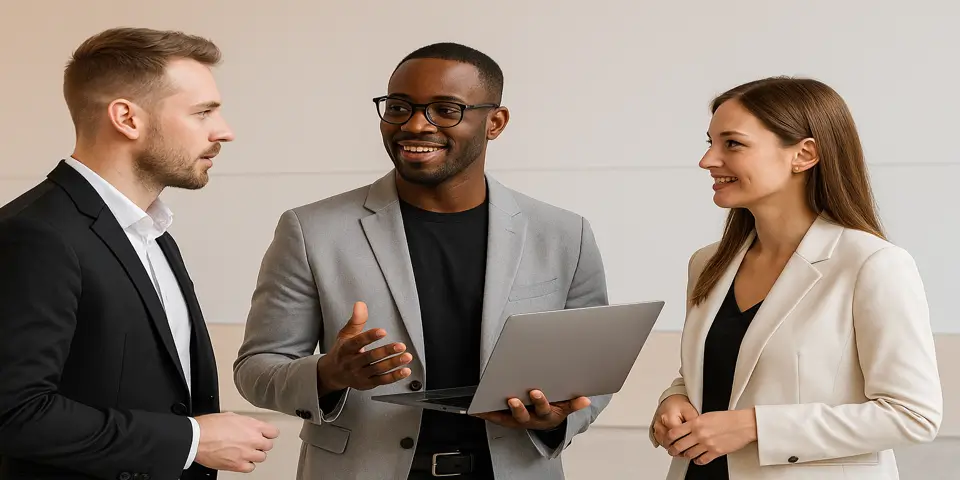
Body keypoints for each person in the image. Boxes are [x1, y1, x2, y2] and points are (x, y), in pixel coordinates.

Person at [233, 42, 610, 479]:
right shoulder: (310, 229)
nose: (414, 125)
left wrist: (557, 418)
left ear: (495, 122)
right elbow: (257, 369)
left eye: (445, 109)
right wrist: (328, 373)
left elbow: (594, 371)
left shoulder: (564, 234)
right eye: (398, 107)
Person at [0, 27, 279, 480]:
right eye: (203, 112)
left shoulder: (152, 231)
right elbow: (14, 413)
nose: (224, 132)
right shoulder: (34, 235)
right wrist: (191, 440)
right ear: (127, 118)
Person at [649, 76, 943, 479]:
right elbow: (715, 373)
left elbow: (913, 414)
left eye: (732, 143)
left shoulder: (872, 264)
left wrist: (755, 426)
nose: (708, 160)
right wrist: (675, 400)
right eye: (710, 143)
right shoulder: (708, 263)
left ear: (804, 154)